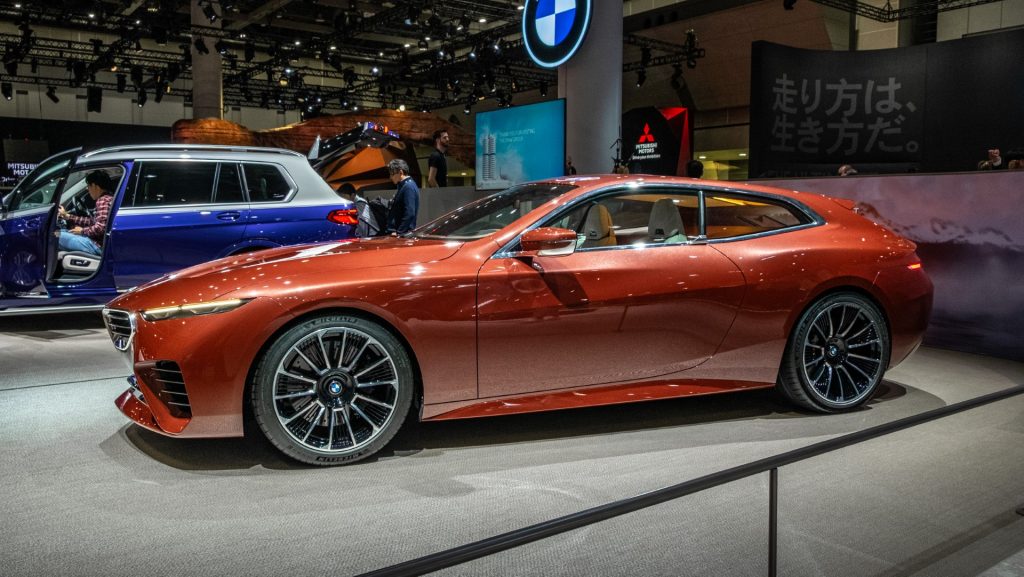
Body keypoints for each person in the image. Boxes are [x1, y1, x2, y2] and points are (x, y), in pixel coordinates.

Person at [57, 170, 114, 256]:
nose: (88, 189)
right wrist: (68, 216)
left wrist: (82, 231)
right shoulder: (108, 198)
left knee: (53, 235)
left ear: (95, 186)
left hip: (96, 245)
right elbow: (93, 221)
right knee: (62, 231)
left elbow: (101, 228)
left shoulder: (103, 201)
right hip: (97, 242)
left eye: (89, 186)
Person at [386, 159, 419, 234]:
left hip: (403, 235)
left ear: (400, 172)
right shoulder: (405, 186)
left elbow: (410, 213)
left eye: (392, 174)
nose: (390, 177)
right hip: (401, 234)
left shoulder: (408, 187)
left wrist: (399, 232)